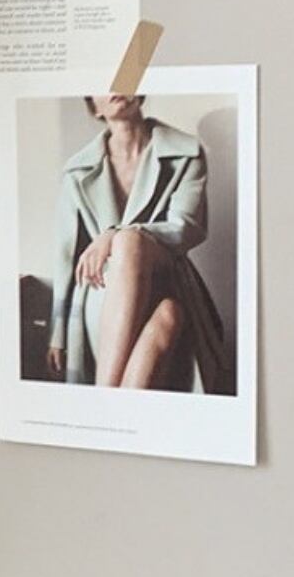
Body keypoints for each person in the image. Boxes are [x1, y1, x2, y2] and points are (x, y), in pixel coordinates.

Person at [46, 95, 228, 394]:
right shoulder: (76, 170)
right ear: (94, 106)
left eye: (125, 78)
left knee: (130, 243)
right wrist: (58, 334)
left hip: (165, 275)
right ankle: (112, 406)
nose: (117, 87)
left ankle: (104, 397)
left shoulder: (186, 152)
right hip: (101, 290)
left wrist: (117, 234)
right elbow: (66, 254)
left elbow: (188, 228)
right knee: (169, 313)